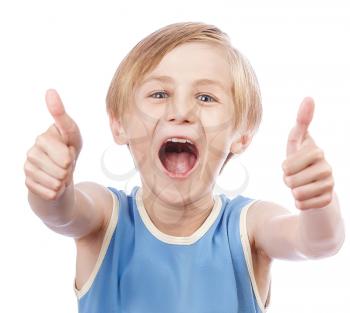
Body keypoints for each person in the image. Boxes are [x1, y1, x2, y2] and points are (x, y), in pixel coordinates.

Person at [24, 22, 345, 313]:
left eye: (206, 97)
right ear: (119, 124)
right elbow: (61, 212)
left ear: (243, 134)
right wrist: (50, 187)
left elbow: (317, 242)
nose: (181, 111)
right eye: (159, 93)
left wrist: (319, 201)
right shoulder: (106, 219)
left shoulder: (249, 227)